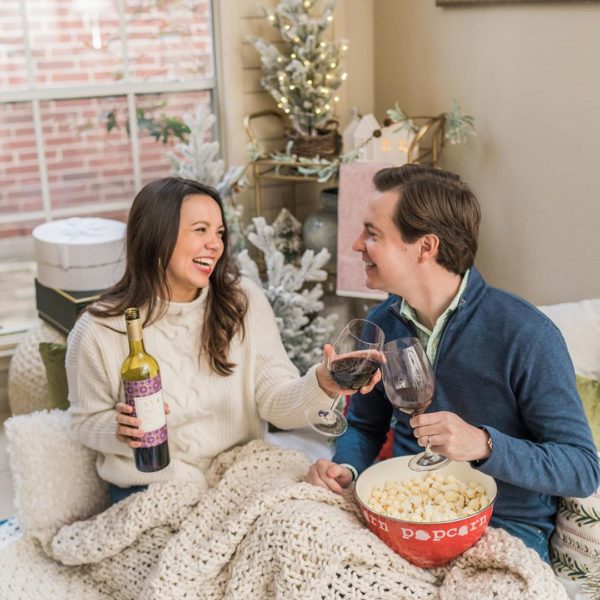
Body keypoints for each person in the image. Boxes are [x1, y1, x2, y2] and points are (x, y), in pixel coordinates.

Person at [306, 164, 600, 561]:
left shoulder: (526, 333)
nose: (357, 244)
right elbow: (363, 425)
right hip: (401, 512)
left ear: (426, 247)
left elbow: (582, 469)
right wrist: (347, 468)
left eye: (372, 233)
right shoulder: (381, 324)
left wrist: (484, 444)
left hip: (505, 527)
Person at [66, 176, 378, 505]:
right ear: (157, 236)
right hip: (153, 487)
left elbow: (275, 402)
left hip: (242, 472)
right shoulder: (99, 330)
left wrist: (322, 383)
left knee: (316, 525)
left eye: (219, 233)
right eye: (200, 230)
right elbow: (82, 424)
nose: (215, 244)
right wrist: (118, 430)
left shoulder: (243, 303)